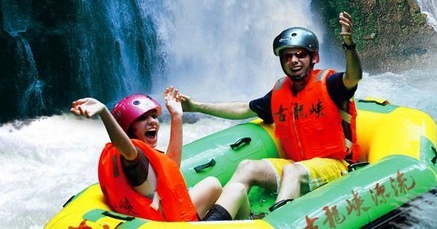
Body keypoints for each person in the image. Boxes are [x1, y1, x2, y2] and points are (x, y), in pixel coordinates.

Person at [178, 12, 362, 220]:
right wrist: (196, 106)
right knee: (247, 167)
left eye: (300, 54)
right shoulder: (279, 93)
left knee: (293, 171)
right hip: (296, 165)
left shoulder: (330, 84)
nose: (294, 60)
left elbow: (353, 76)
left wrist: (349, 44)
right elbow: (242, 109)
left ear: (314, 58)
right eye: (287, 56)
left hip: (335, 165)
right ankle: (214, 221)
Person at [70, 87, 245, 222]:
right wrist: (104, 113)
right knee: (237, 190)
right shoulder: (133, 159)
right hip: (169, 225)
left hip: (163, 219)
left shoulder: (139, 162)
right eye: (143, 118)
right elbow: (128, 150)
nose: (152, 121)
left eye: (153, 116)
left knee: (213, 184)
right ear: (129, 128)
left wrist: (177, 116)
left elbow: (171, 169)